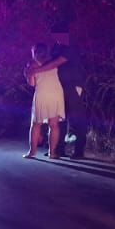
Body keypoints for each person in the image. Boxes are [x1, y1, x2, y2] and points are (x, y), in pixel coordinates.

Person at [50, 30, 88, 158]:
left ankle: (79, 151)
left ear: (64, 34)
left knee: (77, 118)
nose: (55, 38)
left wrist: (37, 69)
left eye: (56, 35)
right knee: (61, 118)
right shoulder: (57, 47)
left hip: (73, 86)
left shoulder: (71, 47)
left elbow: (57, 62)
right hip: (60, 87)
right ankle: (59, 149)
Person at [24, 43, 65, 159]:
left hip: (42, 93)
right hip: (56, 93)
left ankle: (32, 152)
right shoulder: (53, 62)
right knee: (54, 124)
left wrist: (28, 75)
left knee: (36, 124)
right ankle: (52, 153)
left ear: (34, 52)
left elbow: (32, 84)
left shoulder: (32, 65)